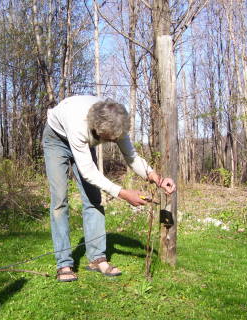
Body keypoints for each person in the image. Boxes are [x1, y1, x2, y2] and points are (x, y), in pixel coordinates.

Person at [42, 95, 176, 282]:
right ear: (98, 129)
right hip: (56, 139)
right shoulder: (78, 124)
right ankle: (64, 263)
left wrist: (156, 178)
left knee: (93, 200)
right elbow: (88, 172)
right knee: (59, 201)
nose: (112, 141)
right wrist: (123, 193)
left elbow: (132, 157)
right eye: (109, 139)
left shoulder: (116, 122)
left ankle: (97, 259)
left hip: (81, 139)